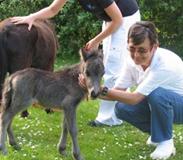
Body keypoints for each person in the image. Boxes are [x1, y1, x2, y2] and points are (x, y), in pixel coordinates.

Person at [11, 0, 141, 127]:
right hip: (111, 20)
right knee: (111, 64)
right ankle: (122, 109)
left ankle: (108, 119)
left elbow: (118, 20)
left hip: (124, 20)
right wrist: (31, 17)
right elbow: (53, 9)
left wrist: (97, 40)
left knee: (113, 68)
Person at [80, 20, 183, 160]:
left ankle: (166, 142)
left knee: (157, 94)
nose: (136, 55)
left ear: (154, 47)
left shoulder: (164, 65)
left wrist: (102, 90)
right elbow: (116, 92)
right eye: (132, 49)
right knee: (121, 108)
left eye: (142, 50)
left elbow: (135, 98)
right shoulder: (131, 62)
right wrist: (92, 88)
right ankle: (157, 135)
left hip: (179, 106)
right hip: (160, 104)